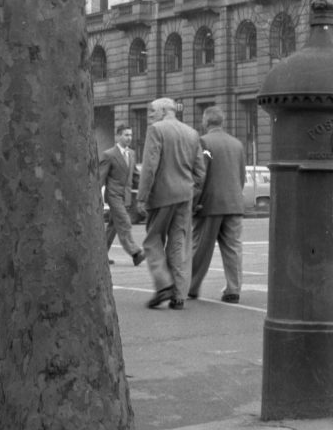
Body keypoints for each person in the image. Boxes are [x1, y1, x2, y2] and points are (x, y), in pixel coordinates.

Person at [135, 98, 205, 310]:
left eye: (152, 111)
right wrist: (193, 193)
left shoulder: (156, 130)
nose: (149, 115)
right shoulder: (192, 133)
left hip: (162, 195)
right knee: (179, 243)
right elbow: (200, 172)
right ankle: (179, 295)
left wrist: (141, 196)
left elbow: (149, 167)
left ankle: (163, 284)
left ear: (165, 110)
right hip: (185, 195)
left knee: (152, 240)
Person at [188, 106, 246, 304]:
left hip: (210, 205)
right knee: (233, 248)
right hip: (234, 204)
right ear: (223, 122)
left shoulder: (204, 142)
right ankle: (233, 289)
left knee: (200, 248)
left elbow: (201, 174)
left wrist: (194, 202)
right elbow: (241, 176)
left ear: (205, 122)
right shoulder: (237, 144)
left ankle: (191, 286)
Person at [98, 125, 145, 267]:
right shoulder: (109, 154)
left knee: (113, 226)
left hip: (126, 196)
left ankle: (100, 256)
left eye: (130, 135)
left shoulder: (131, 153)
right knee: (125, 221)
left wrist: (147, 187)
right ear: (118, 136)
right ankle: (135, 253)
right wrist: (97, 197)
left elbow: (135, 175)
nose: (129, 138)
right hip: (114, 196)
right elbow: (100, 177)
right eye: (126, 135)